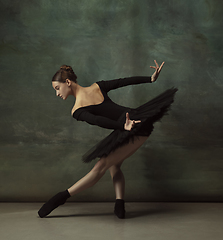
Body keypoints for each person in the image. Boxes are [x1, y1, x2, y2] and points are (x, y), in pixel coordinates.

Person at [38, 60, 177, 219]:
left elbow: (123, 82)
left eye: (57, 88)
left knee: (100, 166)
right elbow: (98, 121)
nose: (57, 93)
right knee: (114, 166)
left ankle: (60, 198)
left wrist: (150, 79)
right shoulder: (78, 109)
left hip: (136, 125)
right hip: (126, 127)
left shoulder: (95, 89)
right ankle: (119, 204)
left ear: (67, 82)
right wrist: (122, 126)